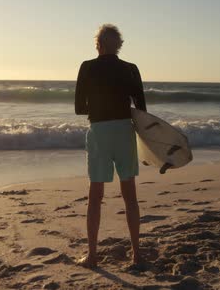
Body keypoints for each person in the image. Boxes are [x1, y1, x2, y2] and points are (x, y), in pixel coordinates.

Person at [74, 24, 146, 268]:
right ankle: (137, 254)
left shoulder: (87, 67)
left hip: (100, 132)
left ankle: (92, 256)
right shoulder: (131, 69)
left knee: (95, 196)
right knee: (130, 196)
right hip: (125, 131)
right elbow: (142, 109)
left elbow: (79, 108)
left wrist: (98, 104)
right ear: (119, 46)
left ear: (99, 45)